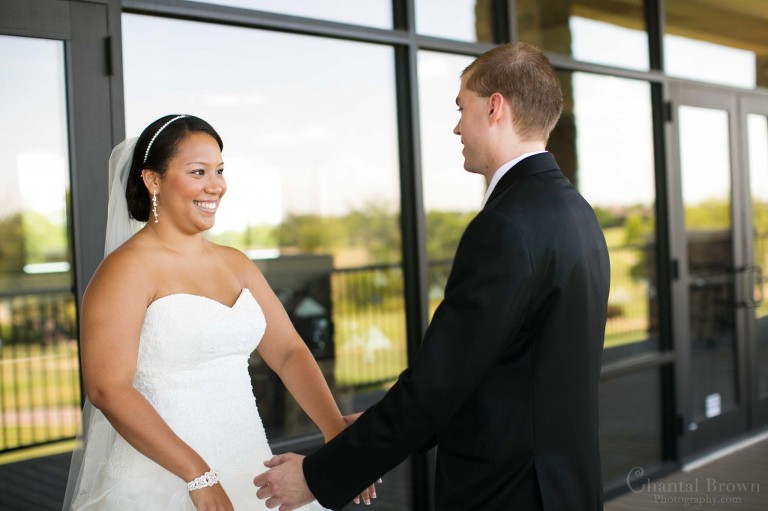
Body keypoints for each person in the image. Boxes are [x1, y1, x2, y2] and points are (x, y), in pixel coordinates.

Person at [253, 42, 610, 510]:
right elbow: (503, 373)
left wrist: (319, 476)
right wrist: (380, 422)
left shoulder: (504, 227)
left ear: (495, 107)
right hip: (564, 487)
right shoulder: (577, 214)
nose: (457, 126)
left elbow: (439, 381)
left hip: (507, 492)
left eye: (462, 108)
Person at [62, 114, 370, 510]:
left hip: (251, 469)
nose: (216, 185)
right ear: (153, 180)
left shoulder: (236, 263)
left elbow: (289, 351)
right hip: (167, 477)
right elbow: (108, 388)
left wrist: (335, 436)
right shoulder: (125, 270)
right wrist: (198, 475)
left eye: (220, 170)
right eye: (198, 171)